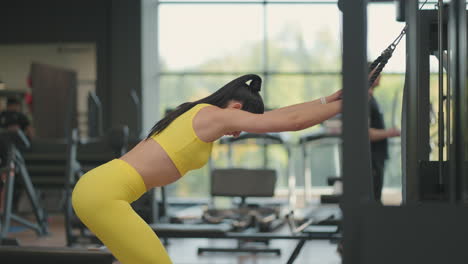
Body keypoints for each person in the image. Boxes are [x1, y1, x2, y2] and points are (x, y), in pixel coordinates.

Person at [72, 74, 342, 264]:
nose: (238, 133)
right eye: (244, 121)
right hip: (103, 194)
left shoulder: (201, 113)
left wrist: (328, 100)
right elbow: (291, 122)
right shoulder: (214, 115)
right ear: (236, 108)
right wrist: (348, 104)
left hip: (100, 190)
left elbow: (283, 114)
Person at [368, 67, 400, 202]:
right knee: (374, 199)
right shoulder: (365, 101)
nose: (380, 75)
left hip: (378, 157)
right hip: (371, 159)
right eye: (377, 71)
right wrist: (390, 133)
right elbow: (367, 134)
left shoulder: (371, 98)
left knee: (376, 197)